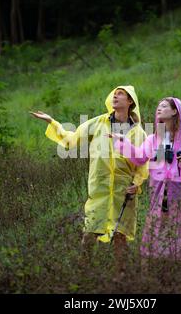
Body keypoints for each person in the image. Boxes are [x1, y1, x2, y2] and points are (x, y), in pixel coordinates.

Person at [30, 86, 149, 276]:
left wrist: (137, 183)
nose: (115, 96)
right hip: (99, 190)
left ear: (130, 102)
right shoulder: (98, 123)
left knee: (120, 237)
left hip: (123, 191)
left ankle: (122, 278)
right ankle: (82, 274)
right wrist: (52, 122)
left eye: (121, 95)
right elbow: (71, 139)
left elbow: (143, 162)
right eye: (114, 94)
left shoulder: (138, 133)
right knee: (89, 234)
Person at [109, 97, 181, 265]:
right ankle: (154, 264)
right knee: (157, 224)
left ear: (175, 111)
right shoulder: (154, 139)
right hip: (160, 190)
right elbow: (140, 157)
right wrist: (122, 141)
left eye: (164, 106)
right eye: (158, 106)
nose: (159, 109)